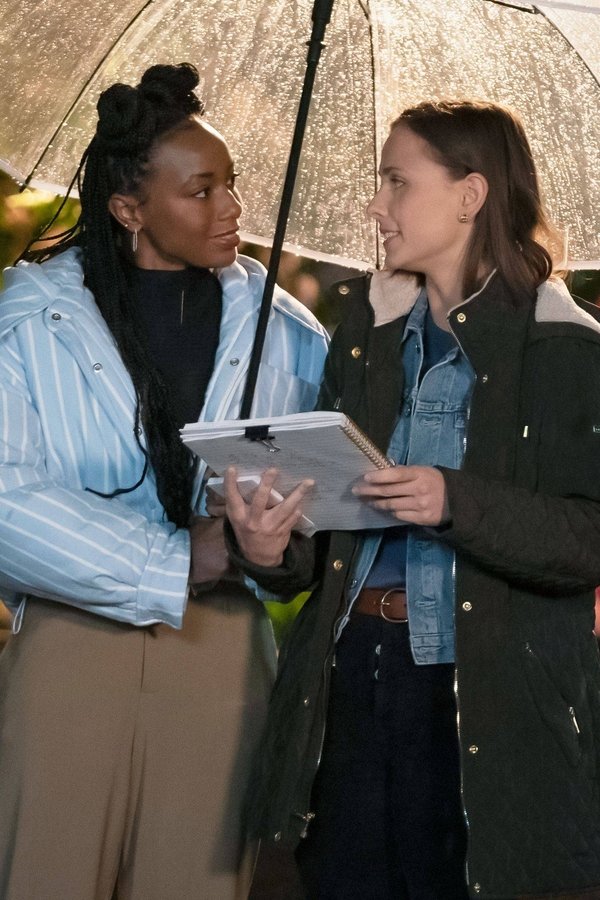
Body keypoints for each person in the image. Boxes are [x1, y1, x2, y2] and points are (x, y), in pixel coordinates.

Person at [224, 99, 600, 899]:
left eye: (398, 181)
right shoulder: (367, 333)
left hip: (487, 698)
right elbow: (325, 538)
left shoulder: (566, 347)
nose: (376, 205)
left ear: (471, 195)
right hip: (351, 676)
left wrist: (452, 500)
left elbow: (586, 540)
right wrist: (272, 548)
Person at [0, 62, 328, 900]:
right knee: (45, 876)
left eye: (233, 183)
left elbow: (316, 527)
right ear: (128, 209)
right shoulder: (26, 316)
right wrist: (186, 557)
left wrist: (272, 553)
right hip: (70, 646)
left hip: (223, 658)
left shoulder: (292, 335)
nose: (232, 207)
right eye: (201, 191)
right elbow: (5, 501)